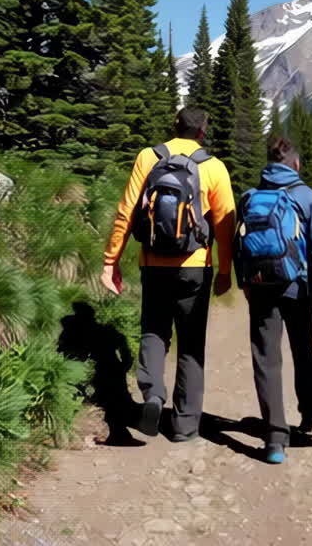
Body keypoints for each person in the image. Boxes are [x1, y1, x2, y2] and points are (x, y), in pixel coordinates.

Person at [102, 107, 235, 442]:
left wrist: (110, 260)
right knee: (191, 343)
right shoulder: (213, 167)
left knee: (153, 332)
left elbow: (127, 210)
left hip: (153, 263)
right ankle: (185, 425)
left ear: (174, 126)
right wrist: (225, 270)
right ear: (203, 132)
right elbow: (224, 225)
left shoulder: (148, 157)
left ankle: (152, 396)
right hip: (195, 267)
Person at [235, 136, 312, 464]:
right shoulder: (306, 196)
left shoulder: (250, 196)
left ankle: (275, 439)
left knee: (266, 357)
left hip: (261, 286)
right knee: (302, 349)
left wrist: (244, 281)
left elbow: (239, 242)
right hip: (299, 287)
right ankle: (307, 413)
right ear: (295, 164)